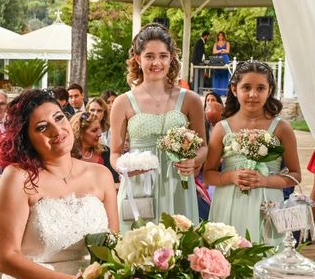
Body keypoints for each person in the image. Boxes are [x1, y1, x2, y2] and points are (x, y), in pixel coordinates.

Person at [0, 90, 118, 279]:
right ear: (26, 138)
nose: (56, 130)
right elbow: (6, 259)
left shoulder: (101, 175)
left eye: (59, 118)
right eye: (42, 127)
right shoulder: (18, 177)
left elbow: (113, 246)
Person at [110, 23, 207, 232]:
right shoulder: (122, 102)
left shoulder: (190, 100)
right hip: (139, 187)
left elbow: (203, 146)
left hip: (177, 185)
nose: (157, 62)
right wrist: (125, 168)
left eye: (163, 56)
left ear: (171, 58)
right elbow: (115, 153)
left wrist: (194, 160)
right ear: (138, 58)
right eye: (149, 56)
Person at [203, 61, 301, 244]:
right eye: (246, 87)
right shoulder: (221, 128)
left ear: (269, 90)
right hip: (228, 203)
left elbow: (296, 175)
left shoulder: (282, 128)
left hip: (267, 205)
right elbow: (208, 175)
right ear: (234, 89)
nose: (253, 94)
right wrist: (230, 177)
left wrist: (265, 180)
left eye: (261, 88)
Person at [72, 109, 119, 186]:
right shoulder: (68, 155)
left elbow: (116, 183)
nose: (100, 134)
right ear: (80, 133)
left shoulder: (105, 151)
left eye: (99, 129)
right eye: (94, 130)